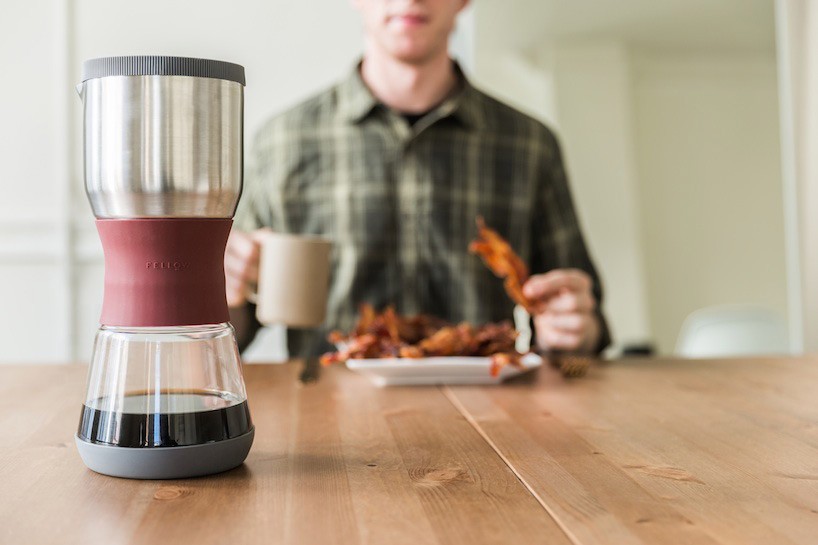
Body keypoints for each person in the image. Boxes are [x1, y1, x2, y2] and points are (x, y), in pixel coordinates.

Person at [226, 0, 610, 359]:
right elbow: (232, 331)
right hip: (326, 400)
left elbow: (586, 327)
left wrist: (576, 329)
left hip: (486, 402)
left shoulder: (530, 145)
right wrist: (226, 290)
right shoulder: (281, 142)